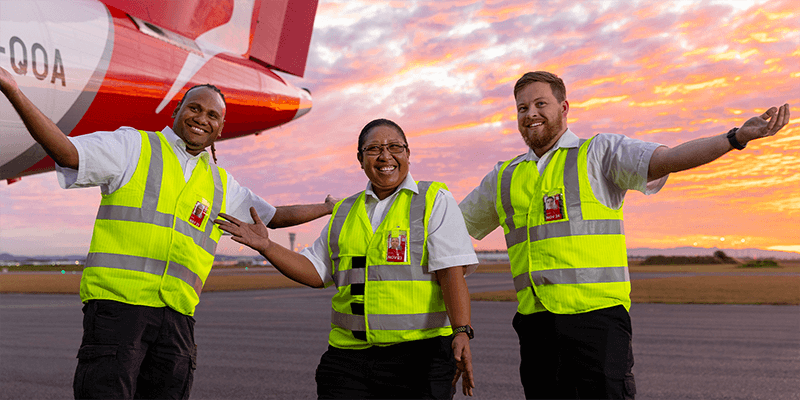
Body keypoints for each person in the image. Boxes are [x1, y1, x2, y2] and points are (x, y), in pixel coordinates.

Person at [0, 66, 335, 399]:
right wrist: (13, 90)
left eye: (213, 115)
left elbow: (274, 217)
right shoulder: (134, 146)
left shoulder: (222, 184)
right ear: (177, 110)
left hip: (177, 319)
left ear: (220, 128)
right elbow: (67, 152)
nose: (202, 118)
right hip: (118, 310)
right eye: (195, 108)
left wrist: (328, 207)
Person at [458, 71, 790, 399]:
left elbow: (668, 159)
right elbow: (450, 230)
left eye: (540, 103)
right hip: (536, 329)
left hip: (596, 324)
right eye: (522, 108)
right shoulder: (503, 177)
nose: (531, 113)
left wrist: (734, 139)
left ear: (564, 107)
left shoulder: (598, 153)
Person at [215, 118, 480, 398]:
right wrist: (267, 246)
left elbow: (451, 272)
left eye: (395, 147)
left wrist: (461, 330)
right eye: (374, 148)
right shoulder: (343, 211)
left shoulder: (433, 199)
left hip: (419, 356)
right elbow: (316, 272)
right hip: (349, 358)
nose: (385, 155)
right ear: (360, 159)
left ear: (408, 153)